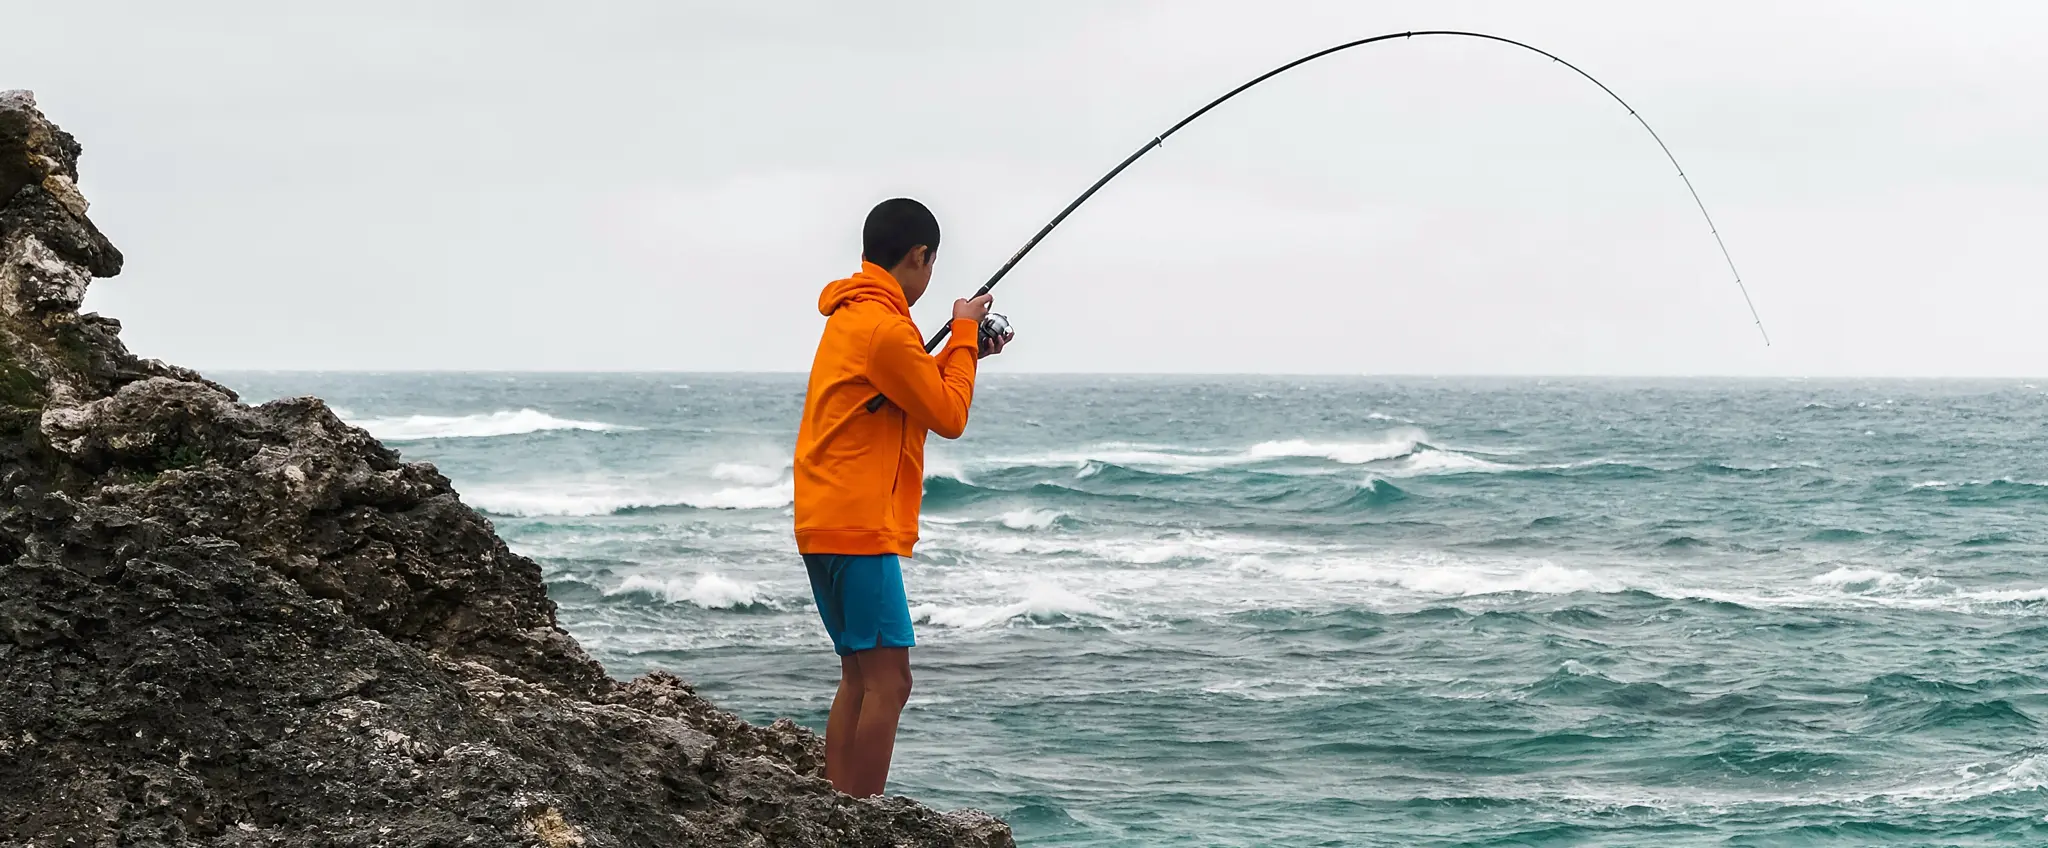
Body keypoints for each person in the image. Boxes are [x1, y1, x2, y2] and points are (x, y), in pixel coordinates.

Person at [793, 197, 1010, 797]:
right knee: (891, 682)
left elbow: (905, 387)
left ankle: (836, 807)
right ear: (918, 255)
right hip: (858, 526)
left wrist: (963, 352)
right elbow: (948, 415)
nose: (930, 278)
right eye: (931, 264)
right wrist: (964, 329)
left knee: (860, 678)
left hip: (823, 520)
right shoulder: (885, 326)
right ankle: (861, 818)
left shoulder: (852, 317)